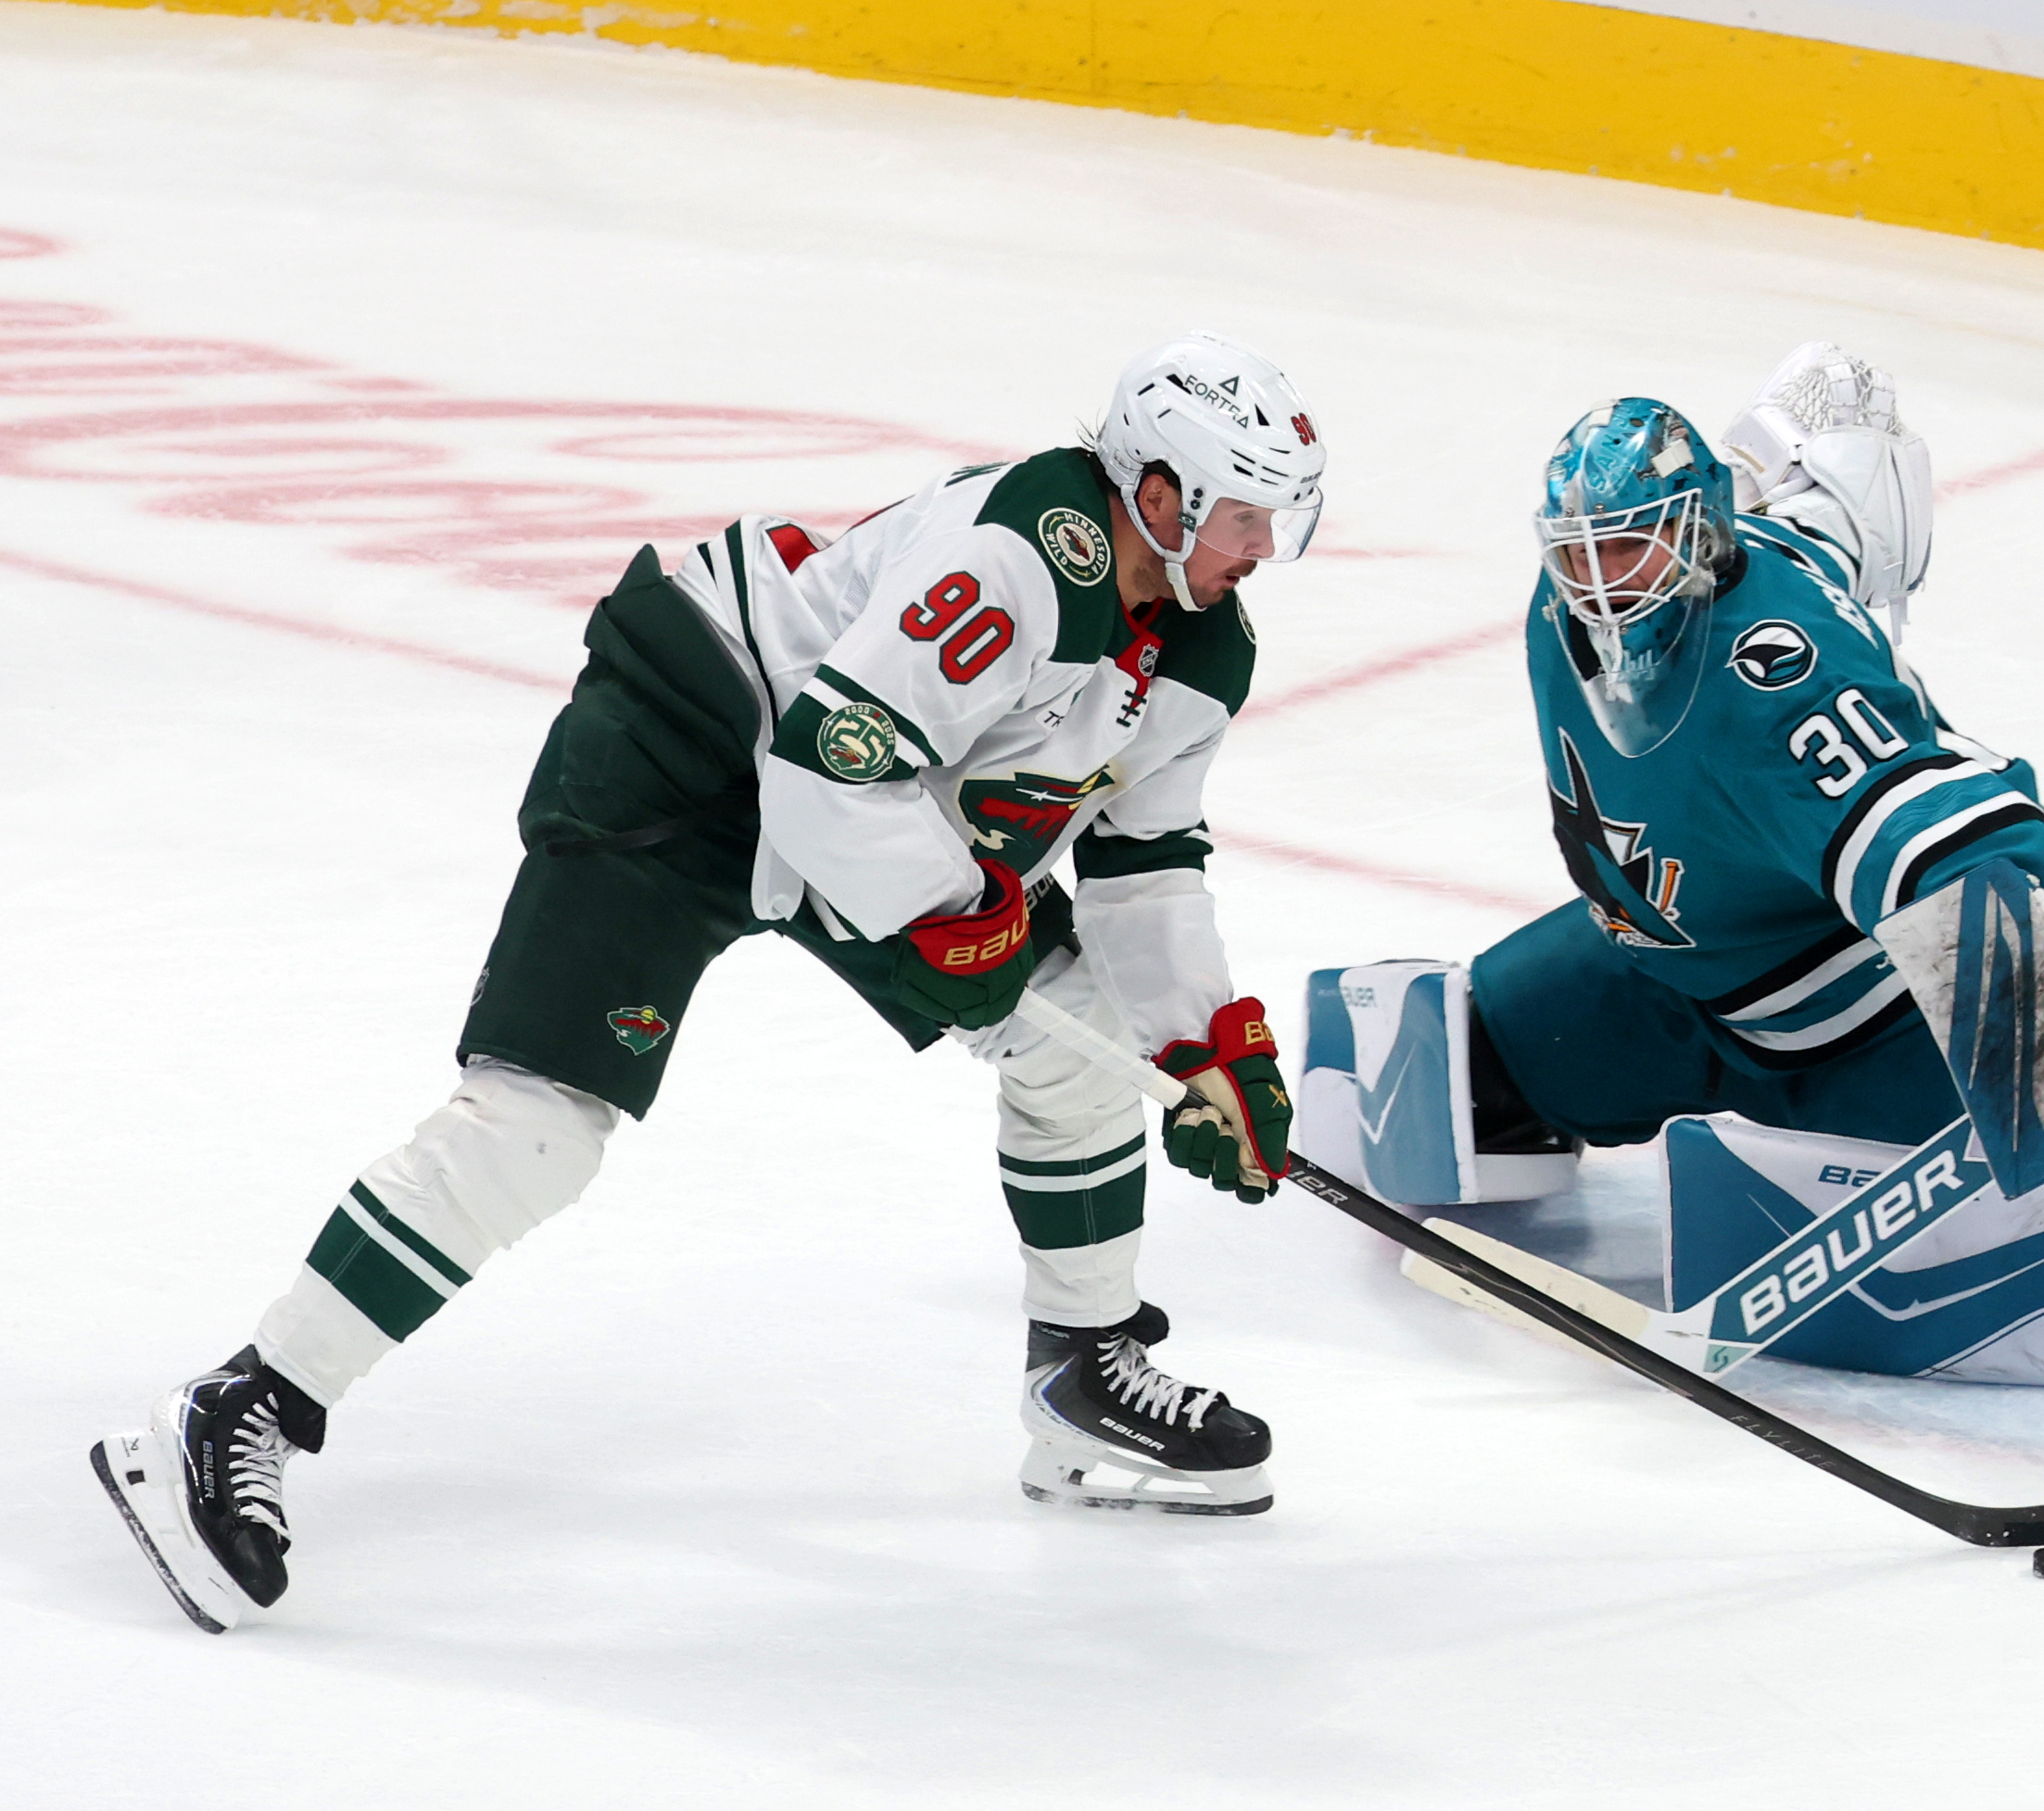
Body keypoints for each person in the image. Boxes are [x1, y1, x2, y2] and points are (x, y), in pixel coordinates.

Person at [95, 332, 1317, 1634]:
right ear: (1158, 489)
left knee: (1079, 1038)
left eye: (1275, 522)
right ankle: (246, 1400)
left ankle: (1082, 1376)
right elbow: (823, 770)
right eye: (1241, 515)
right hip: (689, 752)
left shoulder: (1197, 649)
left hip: (861, 803)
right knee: (540, 1128)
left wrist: (1205, 1045)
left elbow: (1145, 863)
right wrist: (961, 921)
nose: (1257, 550)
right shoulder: (1024, 552)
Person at [1294, 346, 2044, 1415]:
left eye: (1629, 552)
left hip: (1867, 1029)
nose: (1603, 587)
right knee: (1408, 1076)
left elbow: (1953, 836)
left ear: (1694, 534)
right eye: (1580, 557)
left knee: (2008, 1244)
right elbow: (1818, 492)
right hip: (1663, 983)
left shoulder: (1779, 672)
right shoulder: (1561, 606)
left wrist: (2038, 1058)